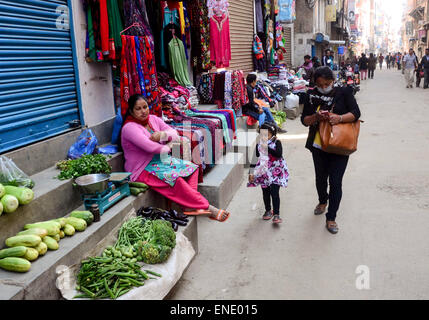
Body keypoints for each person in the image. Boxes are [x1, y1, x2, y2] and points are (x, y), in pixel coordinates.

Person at [120, 94, 231, 222]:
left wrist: (163, 134)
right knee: (175, 179)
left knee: (193, 168)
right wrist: (169, 144)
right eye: (138, 109)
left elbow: (174, 133)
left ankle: (188, 206)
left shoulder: (153, 119)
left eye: (145, 107)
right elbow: (152, 148)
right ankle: (208, 208)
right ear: (131, 111)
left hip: (161, 161)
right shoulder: (129, 128)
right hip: (143, 169)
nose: (143, 111)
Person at [301, 66, 361, 234]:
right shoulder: (311, 95)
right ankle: (322, 201)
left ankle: (331, 217)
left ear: (333, 80)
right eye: (321, 84)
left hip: (339, 145)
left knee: (335, 182)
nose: (325, 86)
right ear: (315, 83)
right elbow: (304, 120)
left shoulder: (344, 92)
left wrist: (339, 118)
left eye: (327, 83)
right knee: (321, 178)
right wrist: (315, 117)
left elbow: (356, 113)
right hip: (318, 145)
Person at [248, 122, 289, 224]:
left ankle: (276, 214)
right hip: (263, 173)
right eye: (262, 134)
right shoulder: (258, 145)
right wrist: (251, 172)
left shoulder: (277, 143)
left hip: (276, 172)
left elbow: (278, 154)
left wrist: (267, 148)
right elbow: (254, 159)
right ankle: (267, 210)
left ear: (273, 134)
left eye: (267, 135)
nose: (264, 137)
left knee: (275, 193)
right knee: (265, 193)